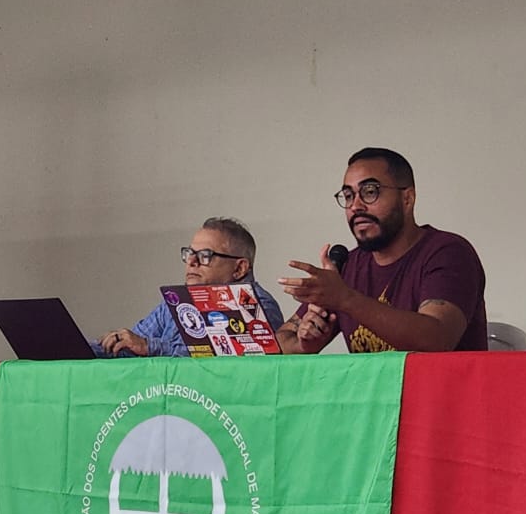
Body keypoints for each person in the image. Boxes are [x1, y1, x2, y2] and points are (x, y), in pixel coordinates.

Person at [276, 147, 487, 353]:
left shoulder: (447, 252)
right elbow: (279, 342)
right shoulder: (348, 267)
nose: (355, 206)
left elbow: (436, 339)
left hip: (440, 379)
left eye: (370, 192)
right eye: (348, 195)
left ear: (407, 198)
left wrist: (345, 299)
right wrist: (304, 344)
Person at [99, 217, 285, 357]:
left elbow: (222, 357)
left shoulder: (258, 305)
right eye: (189, 253)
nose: (191, 261)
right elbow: (131, 345)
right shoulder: (175, 301)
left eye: (205, 255)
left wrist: (149, 346)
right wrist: (103, 346)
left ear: (239, 268)